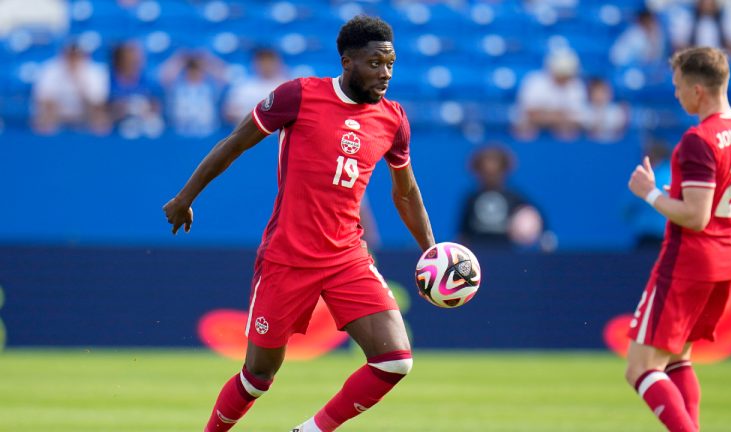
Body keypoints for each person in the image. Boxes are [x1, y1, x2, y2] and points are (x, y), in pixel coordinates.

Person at [163, 15, 434, 432]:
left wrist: (430, 252)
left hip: (347, 258)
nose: (385, 74)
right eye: (376, 63)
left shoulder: (393, 119)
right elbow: (234, 145)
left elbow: (406, 193)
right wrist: (185, 197)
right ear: (347, 61)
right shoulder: (299, 95)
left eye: (391, 64)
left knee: (395, 359)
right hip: (287, 259)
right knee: (258, 378)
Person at [626, 46, 731, 432]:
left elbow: (696, 216)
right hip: (726, 257)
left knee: (640, 368)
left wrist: (651, 193)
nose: (676, 94)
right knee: (677, 359)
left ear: (698, 90)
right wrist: (697, 195)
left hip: (689, 260)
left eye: (678, 86)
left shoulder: (698, 140)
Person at [458, 144, 547, 249]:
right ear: (478, 172)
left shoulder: (514, 197)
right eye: (486, 172)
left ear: (504, 171)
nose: (490, 175)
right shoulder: (472, 198)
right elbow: (463, 233)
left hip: (508, 252)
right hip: (477, 252)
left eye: (495, 172)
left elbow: (538, 220)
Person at [32, 41, 110, 134]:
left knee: (100, 116)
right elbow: (43, 99)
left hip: (84, 112)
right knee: (45, 114)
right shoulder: (49, 69)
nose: (73, 59)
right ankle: (45, 143)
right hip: (57, 112)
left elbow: (97, 102)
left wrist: (78, 80)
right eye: (70, 55)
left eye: (76, 56)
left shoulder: (95, 71)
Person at [513, 48, 587, 141]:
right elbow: (530, 113)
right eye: (561, 73)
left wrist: (547, 114)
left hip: (560, 125)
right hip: (533, 123)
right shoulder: (535, 81)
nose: (564, 77)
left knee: (569, 130)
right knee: (524, 127)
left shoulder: (576, 85)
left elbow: (576, 115)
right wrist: (558, 115)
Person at [223, 47, 290, 125]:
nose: (266, 65)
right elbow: (229, 113)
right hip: (248, 131)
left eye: (269, 61)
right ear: (255, 63)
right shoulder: (242, 87)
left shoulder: (287, 86)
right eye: (262, 61)